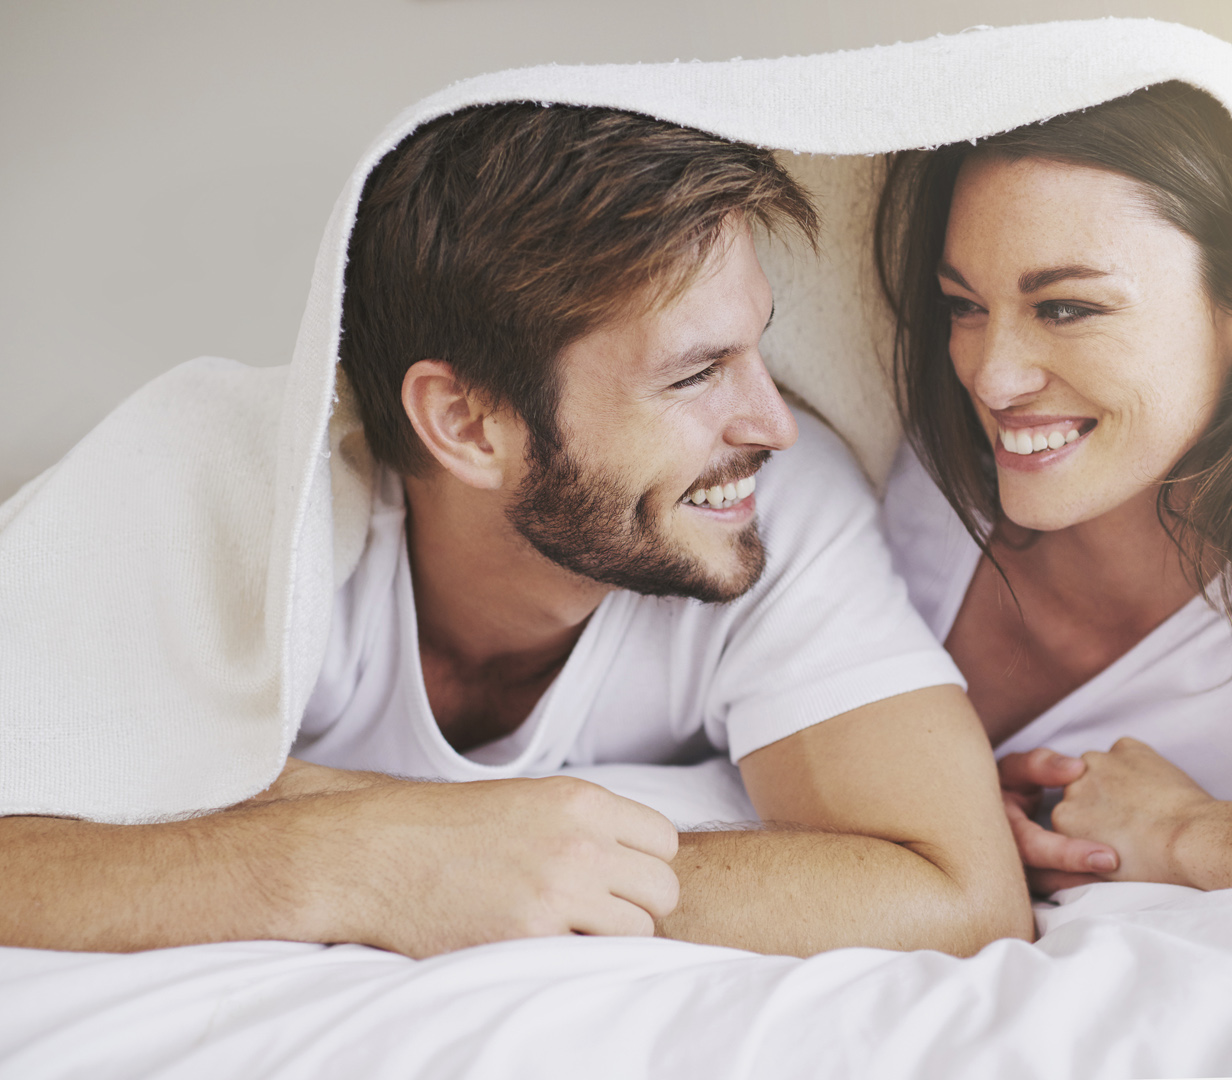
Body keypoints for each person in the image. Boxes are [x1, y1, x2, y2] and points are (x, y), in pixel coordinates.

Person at [0, 103, 1032, 958]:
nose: (771, 424)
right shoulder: (215, 485)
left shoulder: (765, 500)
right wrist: (361, 855)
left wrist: (519, 853)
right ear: (466, 423)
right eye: (693, 373)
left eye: (756, 349)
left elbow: (960, 892)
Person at [874, 82, 1232, 899]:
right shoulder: (914, 467)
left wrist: (1196, 834)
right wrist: (940, 812)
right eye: (964, 305)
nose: (992, 377)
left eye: (1065, 308)